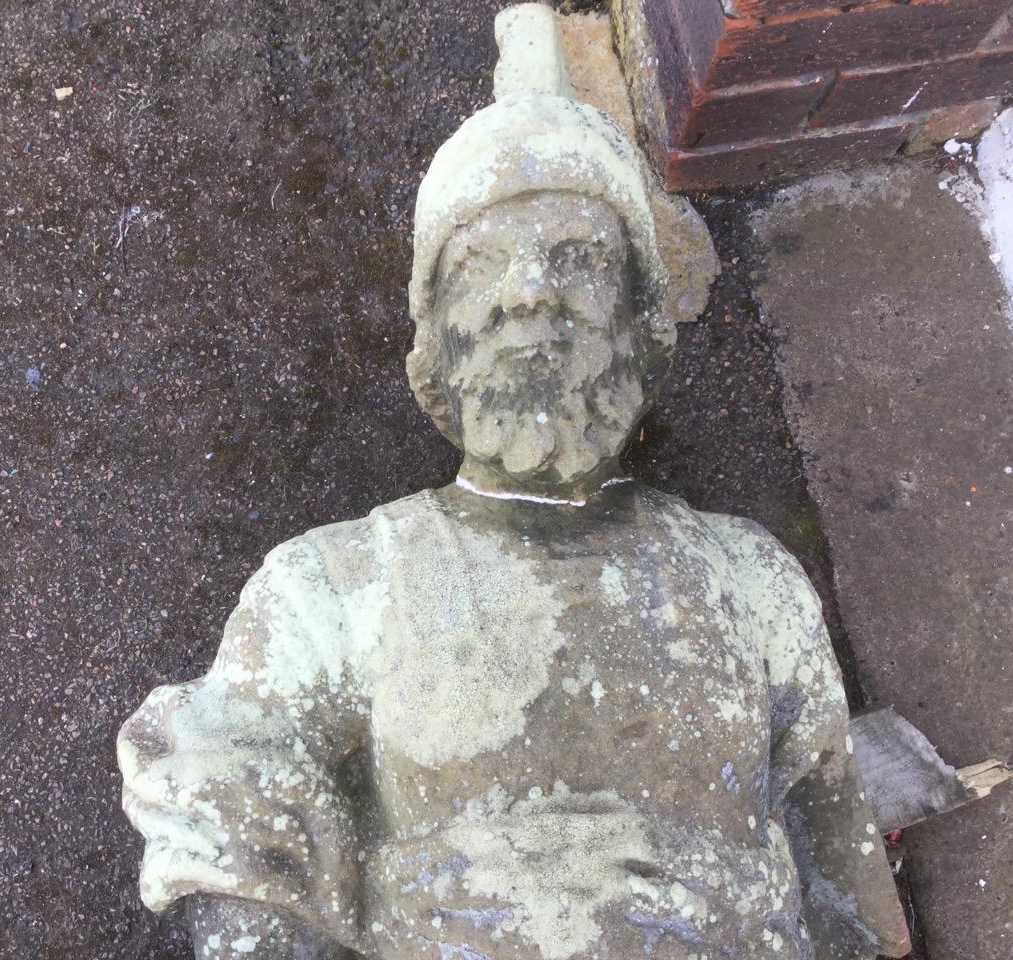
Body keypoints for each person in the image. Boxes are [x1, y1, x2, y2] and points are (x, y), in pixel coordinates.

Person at [118, 7, 909, 959]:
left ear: (639, 324)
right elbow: (228, 821)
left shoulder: (754, 584)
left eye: (577, 259)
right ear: (436, 344)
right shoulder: (332, 591)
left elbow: (845, 883)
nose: (531, 292)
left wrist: (757, 909)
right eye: (484, 263)